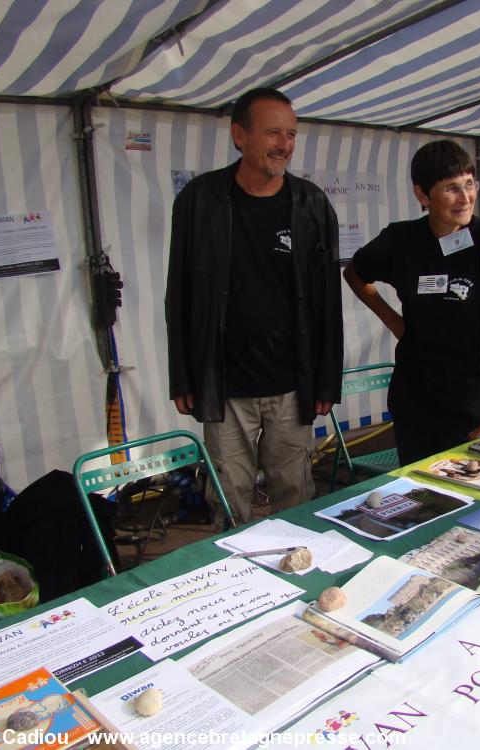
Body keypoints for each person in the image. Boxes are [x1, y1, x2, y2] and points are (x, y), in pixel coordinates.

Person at [165, 87, 343, 524]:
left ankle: (300, 578)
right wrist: (183, 374)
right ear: (240, 136)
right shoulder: (200, 200)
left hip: (291, 384)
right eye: (273, 133)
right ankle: (236, 585)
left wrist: (326, 381)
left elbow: (327, 300)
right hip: (223, 384)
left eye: (291, 135)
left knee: (297, 497)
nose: (284, 145)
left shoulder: (312, 204)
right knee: (227, 502)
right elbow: (179, 291)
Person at [343, 140, 480, 465]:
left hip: (469, 404)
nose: (465, 197)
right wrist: (394, 322)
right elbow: (356, 274)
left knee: (469, 493)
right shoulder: (401, 240)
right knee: (420, 496)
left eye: (470, 184)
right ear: (423, 195)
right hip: (415, 400)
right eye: (451, 188)